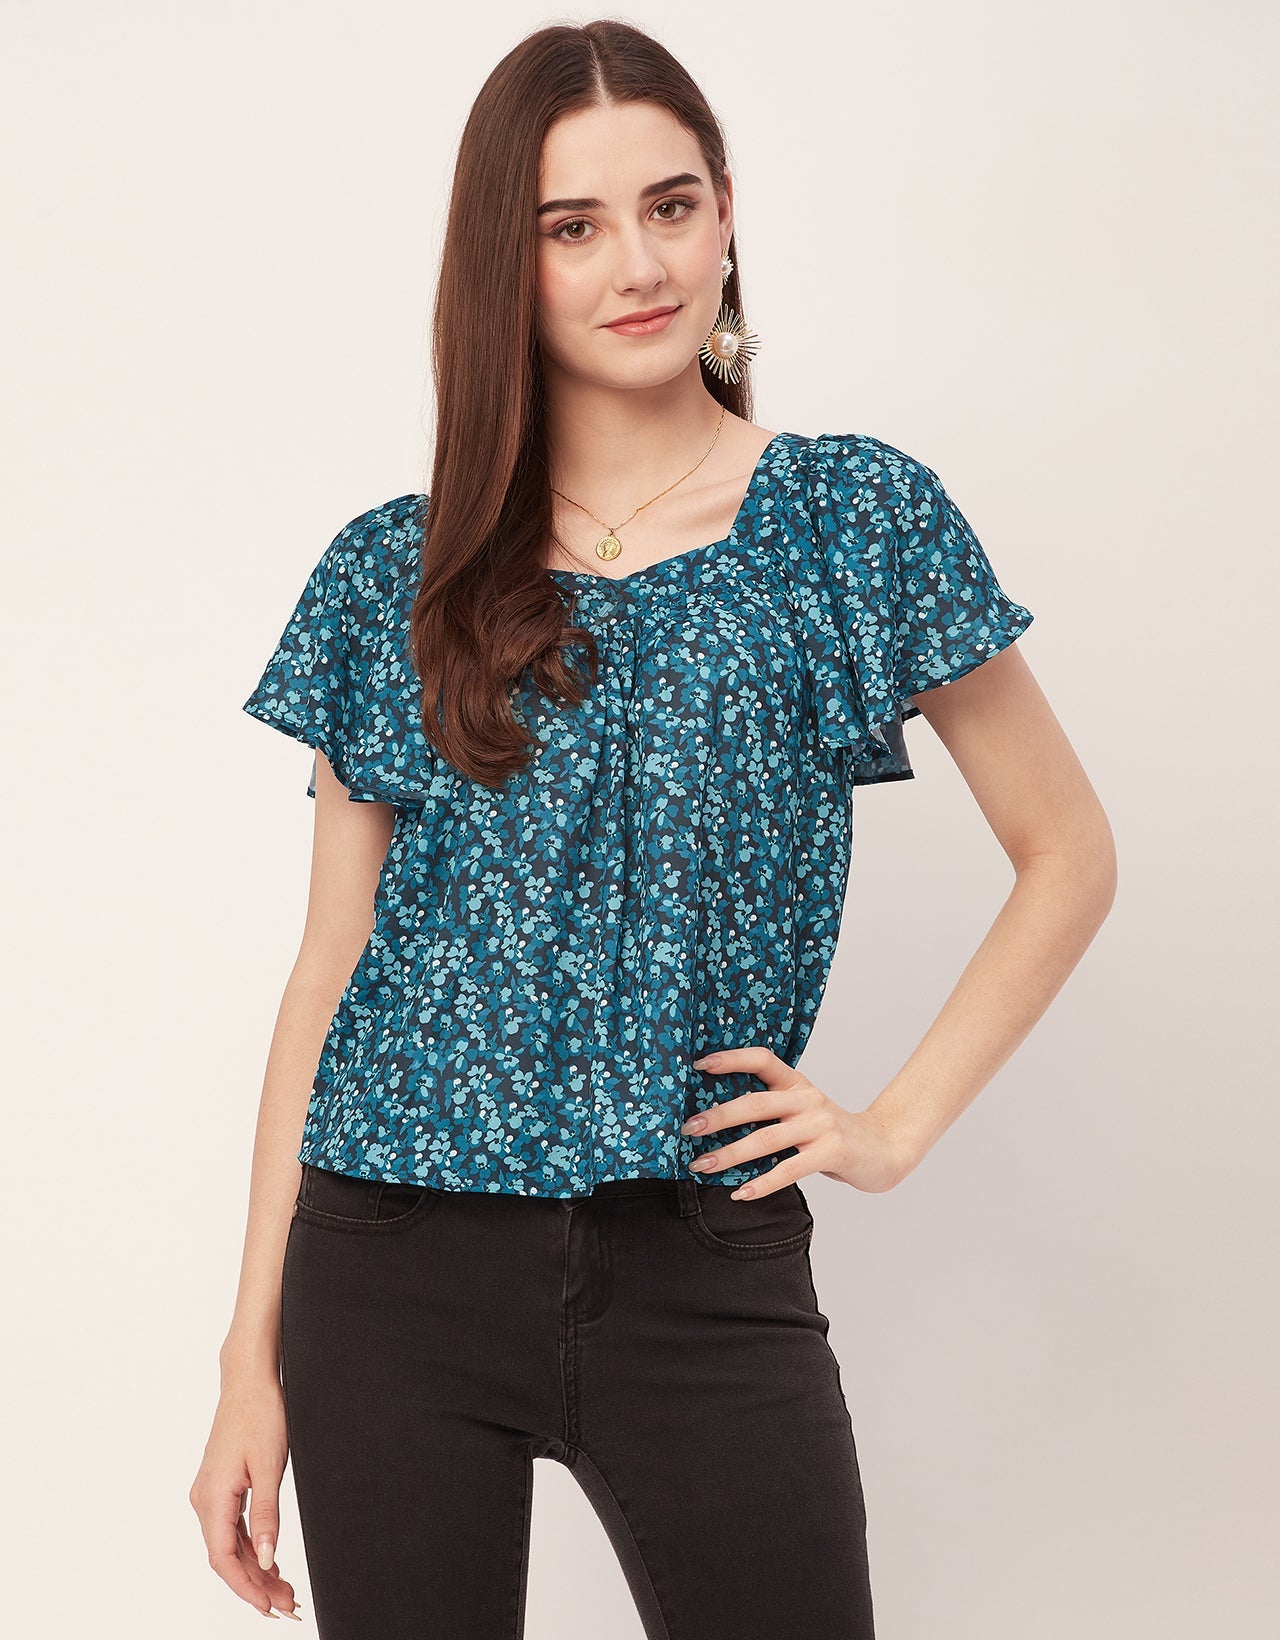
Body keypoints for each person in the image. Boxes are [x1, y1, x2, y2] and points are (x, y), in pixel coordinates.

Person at [188, 18, 1116, 1639]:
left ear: (728, 213)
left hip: (701, 1254)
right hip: (390, 1268)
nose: (640, 263)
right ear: (507, 261)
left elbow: (1069, 851)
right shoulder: (398, 570)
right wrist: (245, 1363)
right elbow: (330, 964)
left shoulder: (851, 521)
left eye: (672, 206)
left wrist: (889, 1129)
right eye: (576, 225)